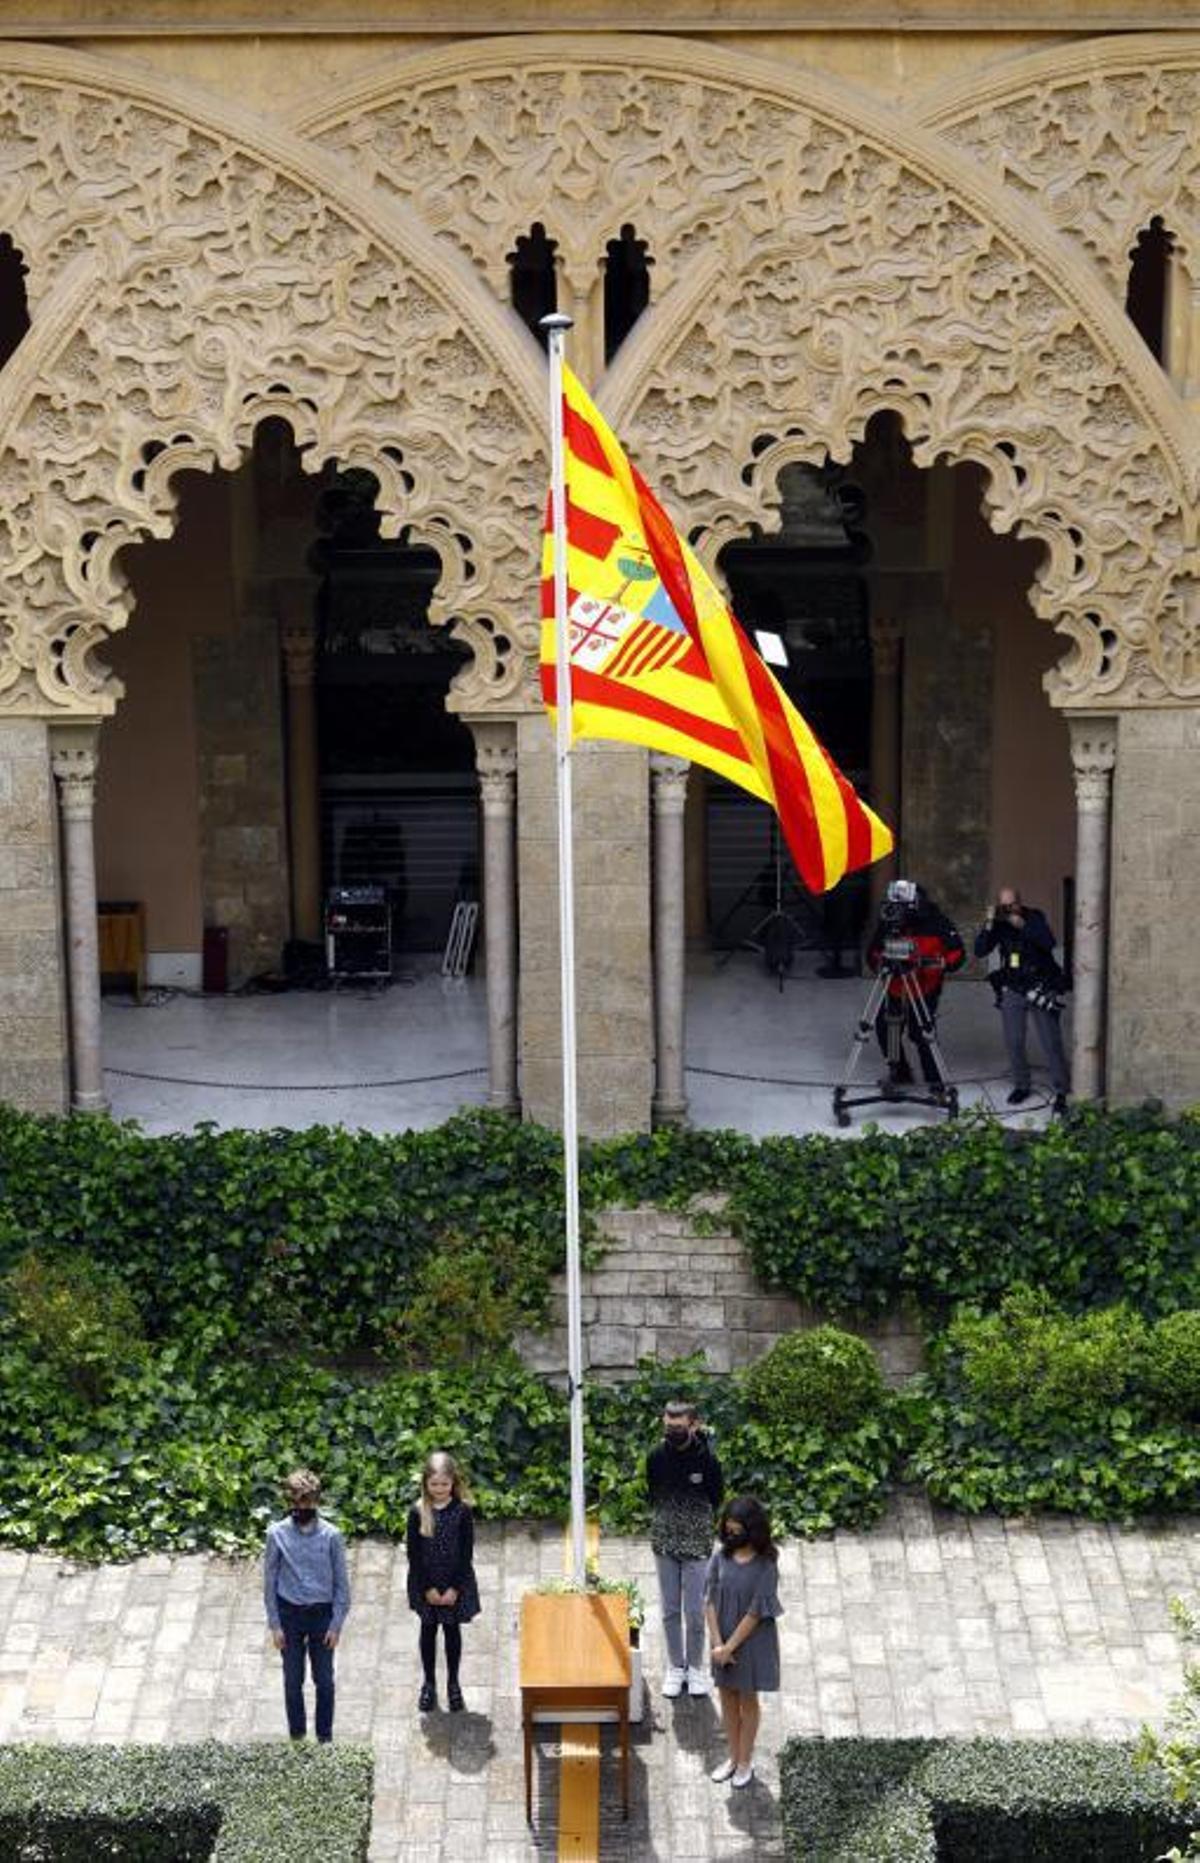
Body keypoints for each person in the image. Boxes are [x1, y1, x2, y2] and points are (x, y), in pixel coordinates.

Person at [263, 1468, 351, 1743]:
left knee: (324, 1681)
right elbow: (270, 1582)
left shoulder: (331, 1536)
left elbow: (342, 1585)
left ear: (316, 1502)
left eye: (308, 1503)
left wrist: (336, 1624)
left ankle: (325, 1737)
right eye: (297, 1503)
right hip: (290, 1615)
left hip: (321, 1616)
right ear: (289, 1503)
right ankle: (297, 1735)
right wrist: (275, 1625)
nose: (302, 1508)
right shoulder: (276, 1534)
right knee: (292, 1680)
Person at [647, 1400, 725, 1698]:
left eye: (678, 1428)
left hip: (697, 1543)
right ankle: (675, 1666)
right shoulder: (656, 1456)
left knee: (694, 1611)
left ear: (694, 1425)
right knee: (669, 1609)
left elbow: (716, 1497)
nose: (671, 1432)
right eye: (668, 1426)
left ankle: (694, 1668)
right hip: (665, 1540)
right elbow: (653, 1491)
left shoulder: (708, 1460)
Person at [705, 1495, 783, 1790]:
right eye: (728, 1529)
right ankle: (733, 1756)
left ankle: (745, 1761)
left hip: (749, 1643)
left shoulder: (766, 1565)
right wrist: (717, 1644)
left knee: (747, 1700)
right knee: (726, 1697)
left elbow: (754, 1614)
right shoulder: (719, 1557)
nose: (731, 1535)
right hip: (721, 1641)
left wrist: (729, 1648)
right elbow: (709, 1599)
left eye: (737, 1530)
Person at [974, 886, 1070, 1113]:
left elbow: (1048, 943)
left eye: (1012, 905)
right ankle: (1021, 1084)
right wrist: (988, 923)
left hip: (1040, 984)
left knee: (1051, 1042)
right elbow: (980, 950)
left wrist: (1024, 927)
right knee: (1013, 1040)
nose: (1008, 909)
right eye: (1003, 906)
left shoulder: (1035, 917)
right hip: (1014, 986)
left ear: (1020, 902)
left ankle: (1062, 1091)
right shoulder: (998, 924)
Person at [866, 880, 965, 1090]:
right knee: (888, 1030)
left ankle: (934, 1080)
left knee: (922, 1033)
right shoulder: (889, 922)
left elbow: (957, 954)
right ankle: (899, 1072)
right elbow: (872, 953)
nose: (898, 910)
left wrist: (934, 963)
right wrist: (882, 962)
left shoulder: (936, 922)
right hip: (894, 985)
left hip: (924, 988)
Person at [405, 1451, 480, 1713]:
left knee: (451, 1632)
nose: (439, 1489)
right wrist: (427, 1588)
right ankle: (428, 1683)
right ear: (426, 1483)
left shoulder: (462, 1511)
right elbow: (413, 1554)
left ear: (453, 1483)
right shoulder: (417, 1512)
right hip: (426, 1582)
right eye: (434, 1484)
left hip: (453, 1583)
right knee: (427, 1631)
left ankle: (453, 1683)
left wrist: (454, 1588)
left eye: (444, 1484)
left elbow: (466, 1553)